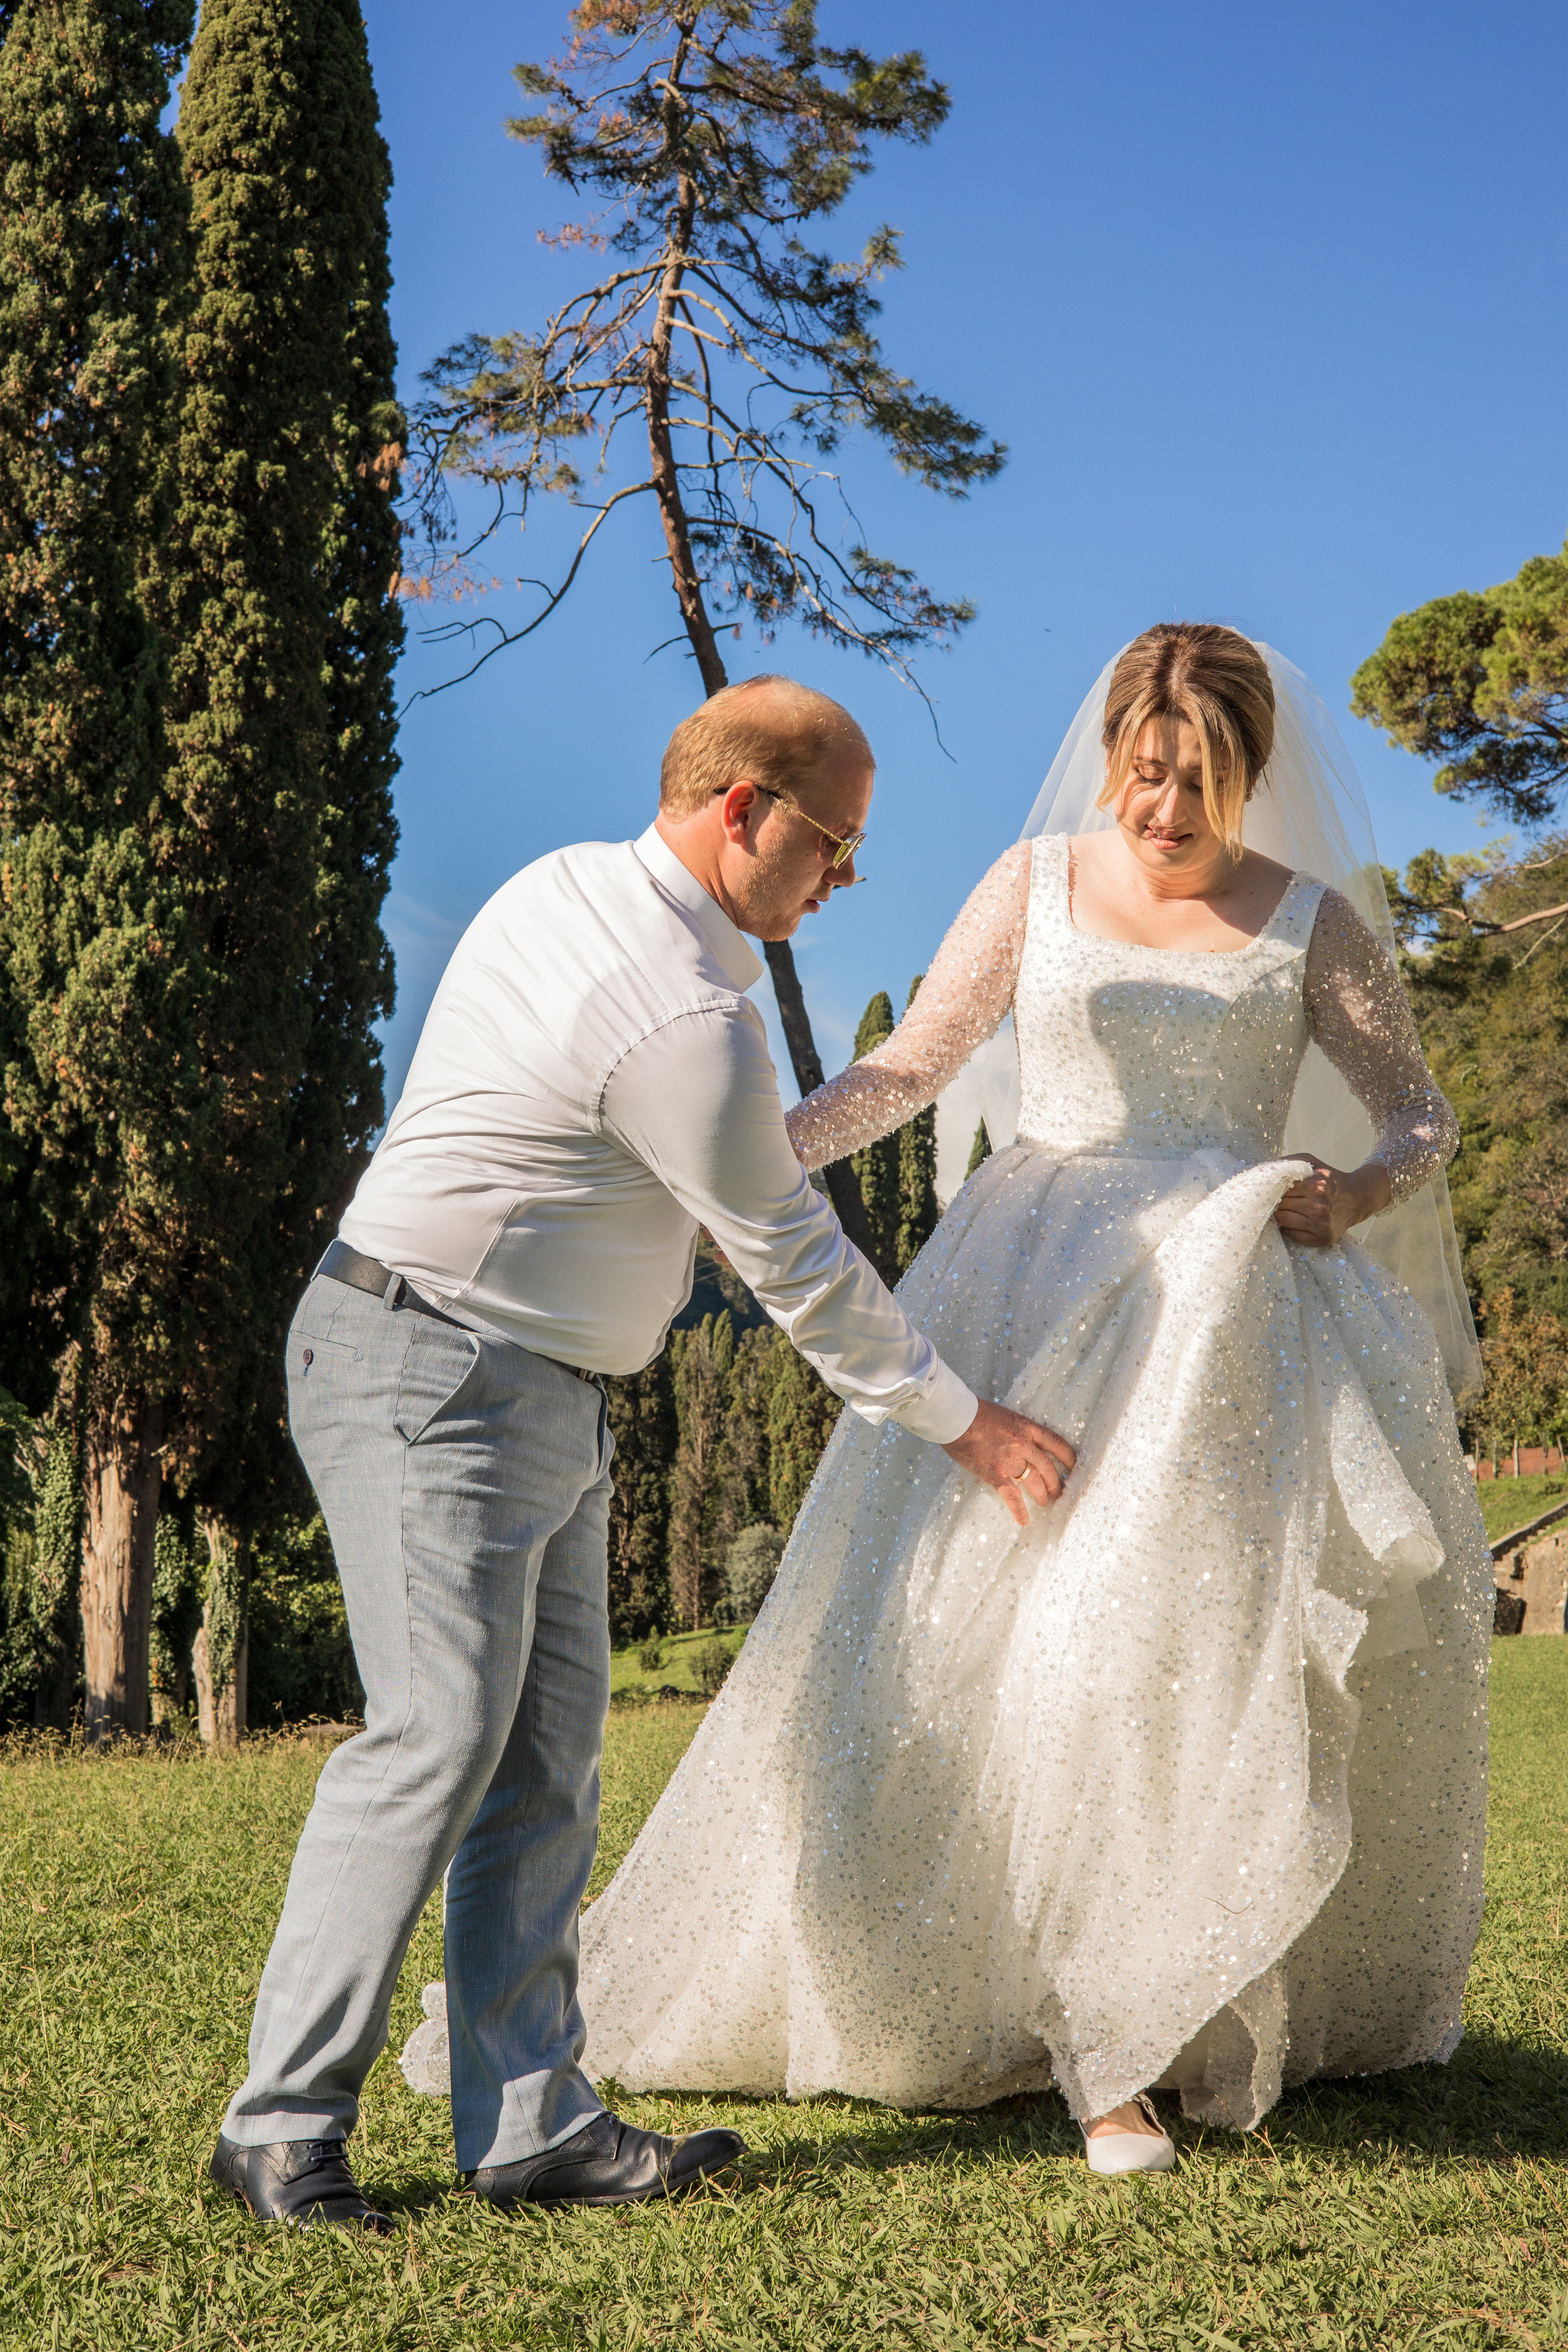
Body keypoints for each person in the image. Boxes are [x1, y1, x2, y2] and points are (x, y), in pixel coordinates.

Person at [577, 624, 1493, 2177]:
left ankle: (1144, 2025)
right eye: (1145, 778)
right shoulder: (1033, 885)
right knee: (992, 1641)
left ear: (1248, 775)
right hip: (1035, 1284)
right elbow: (911, 1066)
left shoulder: (1311, 923)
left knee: (1178, 1652)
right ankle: (1046, 2014)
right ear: (1114, 758)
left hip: (1238, 1313)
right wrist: (738, 1159)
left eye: (1198, 786)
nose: (1163, 812)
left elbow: (1421, 1113)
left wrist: (1354, 1188)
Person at [209, 675, 1074, 2229]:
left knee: (544, 1767)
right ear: (741, 809)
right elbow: (794, 1267)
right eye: (834, 841)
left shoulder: (573, 893)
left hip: (533, 1384)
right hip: (430, 1364)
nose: (843, 876)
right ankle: (278, 2128)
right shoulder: (682, 1018)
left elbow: (703, 1167)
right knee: (436, 1740)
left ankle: (531, 2124)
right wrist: (971, 1424)